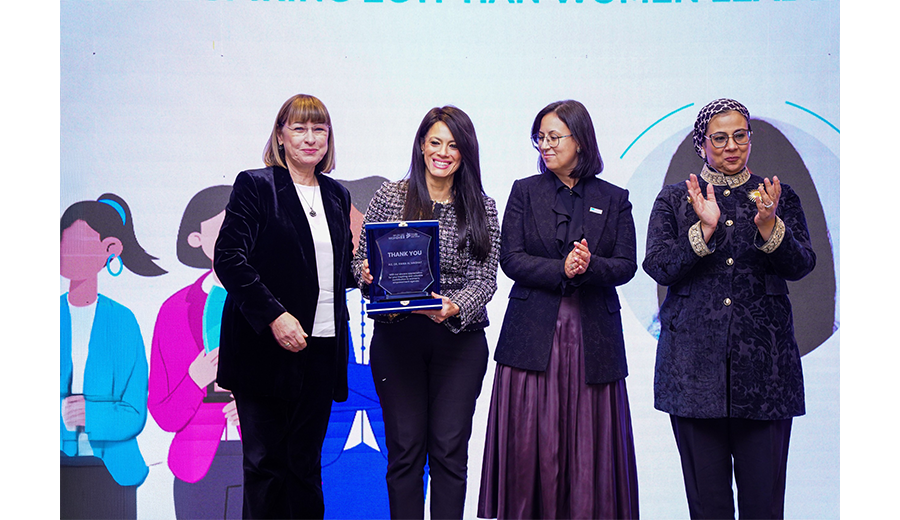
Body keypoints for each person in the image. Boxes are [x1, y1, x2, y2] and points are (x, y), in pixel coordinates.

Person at [642, 98, 816, 520]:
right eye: (719, 138)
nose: (732, 146)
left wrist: (770, 226)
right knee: (708, 507)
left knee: (763, 506)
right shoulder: (675, 199)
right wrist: (703, 229)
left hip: (766, 376)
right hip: (692, 374)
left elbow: (802, 266)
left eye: (740, 136)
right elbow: (658, 266)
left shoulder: (775, 197)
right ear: (701, 144)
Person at [477, 99, 640, 520]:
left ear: (580, 141)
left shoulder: (615, 198)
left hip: (593, 337)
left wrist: (589, 266)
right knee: (531, 444)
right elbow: (510, 259)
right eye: (540, 138)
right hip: (532, 335)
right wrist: (560, 268)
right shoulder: (524, 191)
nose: (545, 146)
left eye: (554, 137)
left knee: (590, 445)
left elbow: (626, 265)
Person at [352, 106, 500, 520]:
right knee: (405, 451)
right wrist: (366, 274)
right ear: (421, 145)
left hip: (459, 341)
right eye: (435, 142)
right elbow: (360, 261)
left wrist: (456, 306)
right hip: (397, 338)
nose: (443, 153)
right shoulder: (390, 197)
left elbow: (485, 280)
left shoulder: (482, 207)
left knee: (450, 451)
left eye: (453, 145)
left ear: (465, 152)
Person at [213, 94, 354, 520]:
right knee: (266, 468)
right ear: (280, 135)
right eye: (299, 128)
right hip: (264, 350)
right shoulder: (256, 186)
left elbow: (329, 271)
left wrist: (361, 274)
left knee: (306, 468)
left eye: (319, 129)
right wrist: (274, 315)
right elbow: (229, 259)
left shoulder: (337, 194)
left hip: (322, 346)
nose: (310, 138)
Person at [60, 193, 167, 519]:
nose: (66, 253)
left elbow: (134, 412)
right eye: (62, 243)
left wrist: (89, 414)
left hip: (114, 474)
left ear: (111, 249)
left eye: (78, 244)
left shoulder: (122, 321)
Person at [148, 185, 243, 520]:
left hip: (262, 459)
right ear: (195, 238)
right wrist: (194, 380)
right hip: (196, 466)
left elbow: (300, 387)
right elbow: (162, 412)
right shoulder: (174, 310)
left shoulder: (277, 303)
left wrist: (256, 407)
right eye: (222, 226)